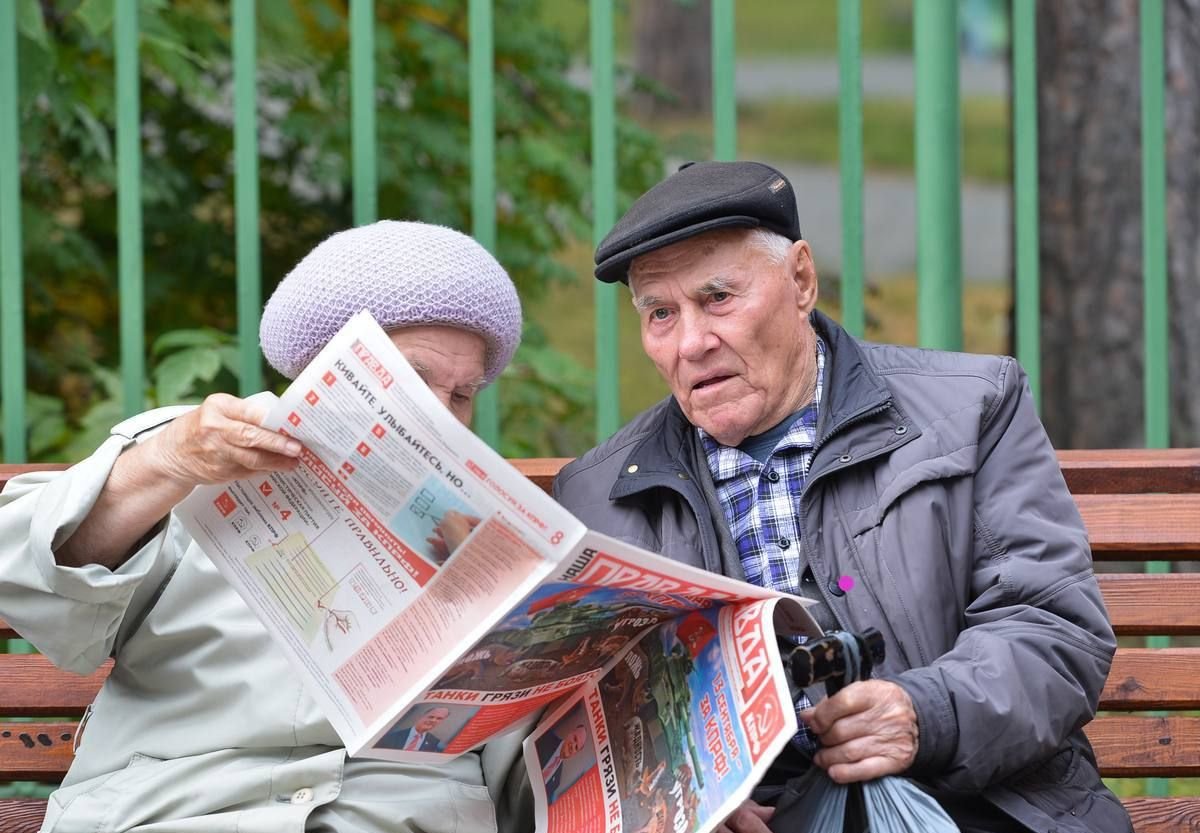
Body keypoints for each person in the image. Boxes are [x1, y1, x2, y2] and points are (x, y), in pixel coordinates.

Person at [553, 161, 1133, 833]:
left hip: (967, 807)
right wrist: (678, 792)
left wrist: (925, 713)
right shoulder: (597, 497)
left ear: (801, 279)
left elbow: (1052, 628)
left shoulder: (972, 409)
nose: (691, 342)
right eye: (660, 314)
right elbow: (577, 721)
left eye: (718, 298)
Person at [0, 221, 531, 833]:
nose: (440, 415)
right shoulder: (197, 450)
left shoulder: (485, 532)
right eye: (413, 377)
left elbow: (517, 751)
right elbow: (28, 579)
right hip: (180, 809)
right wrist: (162, 465)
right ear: (326, 368)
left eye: (462, 394)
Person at [535, 723, 588, 803]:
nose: (572, 746)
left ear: (575, 753)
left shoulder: (557, 781)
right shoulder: (546, 736)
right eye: (575, 739)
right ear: (570, 733)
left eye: (576, 747)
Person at [378, 706, 451, 753]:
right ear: (422, 716)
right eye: (431, 717)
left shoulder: (434, 742)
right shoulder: (391, 736)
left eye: (439, 719)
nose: (433, 720)